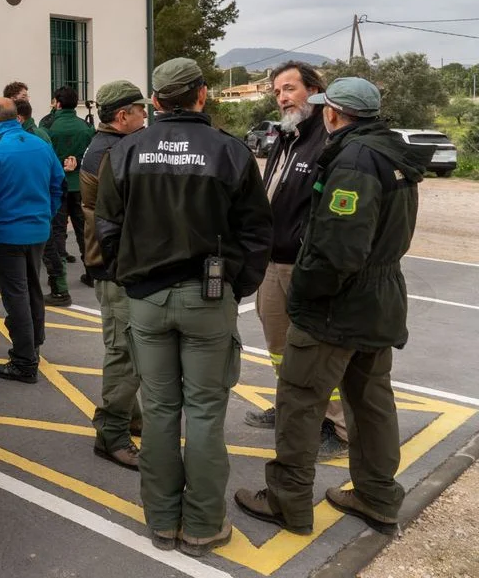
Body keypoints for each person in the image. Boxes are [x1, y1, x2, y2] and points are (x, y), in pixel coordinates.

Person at [235, 78, 429, 538]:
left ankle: (288, 502)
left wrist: (306, 291)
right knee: (371, 403)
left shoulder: (356, 161)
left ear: (334, 113)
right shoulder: (390, 152)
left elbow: (340, 249)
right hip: (380, 300)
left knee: (300, 402)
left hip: (338, 306)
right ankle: (377, 496)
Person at [95, 58, 272, 556]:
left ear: (155, 102)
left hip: (146, 300)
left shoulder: (128, 150)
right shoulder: (231, 151)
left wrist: (130, 276)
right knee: (204, 413)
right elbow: (257, 231)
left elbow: (106, 227)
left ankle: (162, 523)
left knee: (159, 411)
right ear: (203, 95)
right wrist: (236, 287)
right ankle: (202, 525)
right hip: (207, 298)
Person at [242, 61, 348, 460]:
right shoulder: (288, 134)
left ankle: (336, 427)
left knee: (315, 351)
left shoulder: (328, 137)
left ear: (315, 91)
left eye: (290, 89)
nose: (283, 97)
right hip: (273, 260)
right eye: (277, 92)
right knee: (278, 346)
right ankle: (291, 407)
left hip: (303, 265)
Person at [0, 97, 65, 384]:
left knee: (16, 296)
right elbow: (58, 184)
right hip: (37, 231)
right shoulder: (41, 145)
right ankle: (34, 343)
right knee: (33, 289)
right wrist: (45, 216)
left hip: (6, 235)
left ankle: (25, 362)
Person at [82, 80, 149, 470]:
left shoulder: (102, 144)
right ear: (122, 116)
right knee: (124, 352)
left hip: (107, 263)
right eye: (141, 112)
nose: (145, 118)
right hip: (117, 265)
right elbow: (125, 213)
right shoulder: (118, 152)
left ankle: (131, 417)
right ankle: (112, 435)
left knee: (125, 347)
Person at [43, 86, 96, 306]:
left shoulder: (48, 126)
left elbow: (45, 154)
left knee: (57, 232)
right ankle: (91, 273)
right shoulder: (86, 127)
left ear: (57, 103)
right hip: (80, 185)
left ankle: (59, 282)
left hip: (57, 184)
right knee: (84, 230)